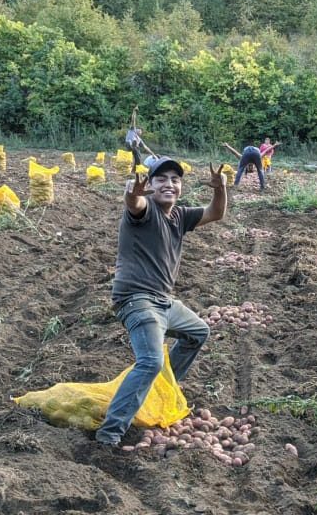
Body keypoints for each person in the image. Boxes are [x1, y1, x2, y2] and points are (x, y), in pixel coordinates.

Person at [96, 158, 227, 446]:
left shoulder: (179, 216)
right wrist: (133, 193)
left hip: (164, 301)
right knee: (151, 360)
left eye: (175, 180)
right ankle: (110, 434)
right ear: (150, 186)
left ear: (180, 187)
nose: (169, 184)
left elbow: (215, 213)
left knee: (198, 332)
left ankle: (159, 392)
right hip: (137, 299)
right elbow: (134, 203)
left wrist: (220, 189)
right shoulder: (144, 212)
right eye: (161, 179)